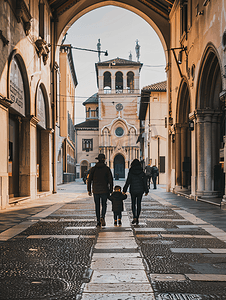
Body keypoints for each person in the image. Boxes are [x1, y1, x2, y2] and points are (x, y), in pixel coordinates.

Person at [87, 153, 113, 227]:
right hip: (104, 190)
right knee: (104, 204)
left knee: (97, 206)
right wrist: (111, 189)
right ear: (104, 160)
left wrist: (89, 190)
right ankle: (102, 217)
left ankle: (98, 221)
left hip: (96, 190)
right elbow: (110, 180)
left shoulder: (93, 169)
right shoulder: (107, 169)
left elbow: (89, 180)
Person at [123, 159, 148, 225]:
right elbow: (145, 182)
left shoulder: (131, 172)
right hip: (140, 190)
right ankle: (137, 217)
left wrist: (124, 190)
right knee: (139, 203)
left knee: (133, 203)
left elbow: (128, 181)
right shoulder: (142, 172)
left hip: (133, 190)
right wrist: (146, 190)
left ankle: (134, 216)